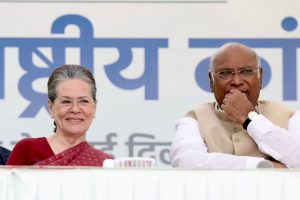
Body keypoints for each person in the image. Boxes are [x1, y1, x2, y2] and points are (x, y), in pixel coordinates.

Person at [170, 42, 300, 169]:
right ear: (211, 81)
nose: (237, 82)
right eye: (225, 73)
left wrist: (249, 118)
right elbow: (187, 162)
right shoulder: (194, 119)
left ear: (260, 77)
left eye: (247, 72)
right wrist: (264, 166)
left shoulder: (290, 117)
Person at [7, 64, 113, 166]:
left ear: (94, 107)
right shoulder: (27, 150)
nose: (75, 109)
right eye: (66, 101)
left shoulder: (105, 163)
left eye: (83, 101)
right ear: (51, 106)